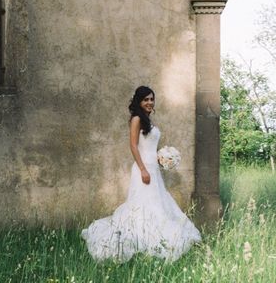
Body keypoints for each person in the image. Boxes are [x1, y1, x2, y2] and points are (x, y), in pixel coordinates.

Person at [81, 86, 201, 262]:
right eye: (146, 99)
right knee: (143, 204)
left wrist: (163, 158)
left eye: (152, 99)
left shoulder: (147, 120)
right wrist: (143, 169)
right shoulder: (136, 119)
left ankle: (154, 237)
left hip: (153, 168)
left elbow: (150, 146)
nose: (150, 102)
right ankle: (141, 238)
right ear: (139, 101)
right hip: (143, 168)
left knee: (157, 203)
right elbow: (133, 145)